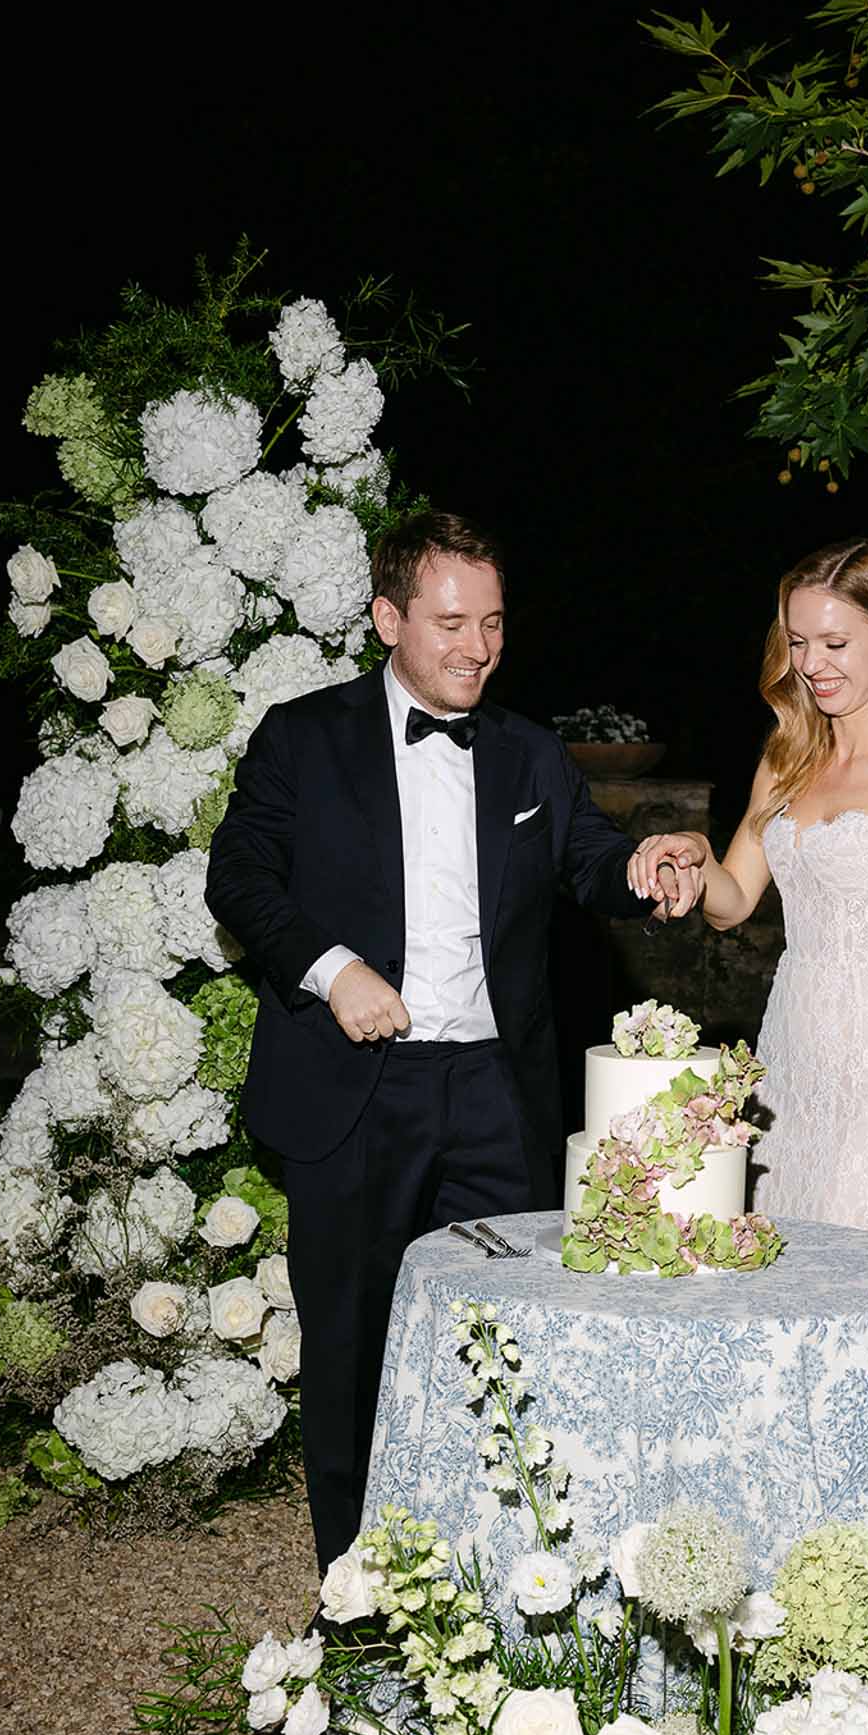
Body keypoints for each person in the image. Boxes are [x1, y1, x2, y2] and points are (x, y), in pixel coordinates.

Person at [206, 511, 696, 1569]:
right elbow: (238, 876)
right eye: (450, 622)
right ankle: (355, 1599)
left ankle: (501, 1585)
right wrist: (333, 971)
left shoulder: (526, 753)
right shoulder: (301, 736)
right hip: (353, 1093)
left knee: (508, 1346)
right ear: (388, 618)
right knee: (350, 1352)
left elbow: (591, 857)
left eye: (494, 623)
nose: (476, 646)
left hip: (493, 1097)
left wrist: (642, 864)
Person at [628, 538, 868, 1246]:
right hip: (792, 1047)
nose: (811, 665)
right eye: (798, 642)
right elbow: (733, 902)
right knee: (777, 1268)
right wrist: (695, 859)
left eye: (835, 642)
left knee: (859, 1277)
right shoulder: (787, 755)